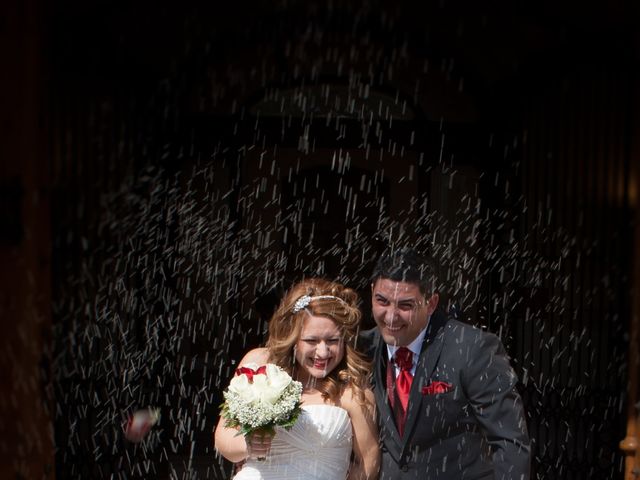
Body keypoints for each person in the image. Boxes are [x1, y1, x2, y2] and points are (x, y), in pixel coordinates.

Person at [359, 248, 531, 479]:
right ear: (371, 292)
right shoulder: (361, 349)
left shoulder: (473, 349)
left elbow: (509, 441)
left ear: (431, 303)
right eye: (382, 301)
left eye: (406, 305)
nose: (391, 317)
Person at [214, 278, 380, 480]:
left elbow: (369, 463)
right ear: (293, 339)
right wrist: (248, 445)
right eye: (311, 340)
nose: (323, 352)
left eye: (333, 341)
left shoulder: (353, 391)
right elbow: (223, 438)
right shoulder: (259, 364)